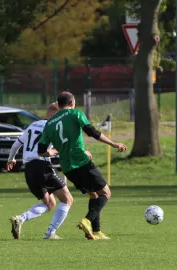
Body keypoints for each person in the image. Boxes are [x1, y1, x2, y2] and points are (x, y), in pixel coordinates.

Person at [38, 91, 127, 240]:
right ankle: (87, 220)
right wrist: (113, 143)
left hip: (67, 168)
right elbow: (92, 132)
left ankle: (96, 231)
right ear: (72, 102)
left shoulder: (49, 124)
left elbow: (41, 151)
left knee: (93, 194)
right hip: (81, 161)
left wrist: (59, 150)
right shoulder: (75, 114)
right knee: (106, 193)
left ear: (58, 105)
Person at [7, 103, 74, 240]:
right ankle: (50, 233)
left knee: (50, 203)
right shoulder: (53, 127)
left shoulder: (32, 125)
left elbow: (16, 145)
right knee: (67, 199)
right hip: (42, 167)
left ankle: (20, 219)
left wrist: (11, 159)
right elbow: (54, 151)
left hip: (29, 169)